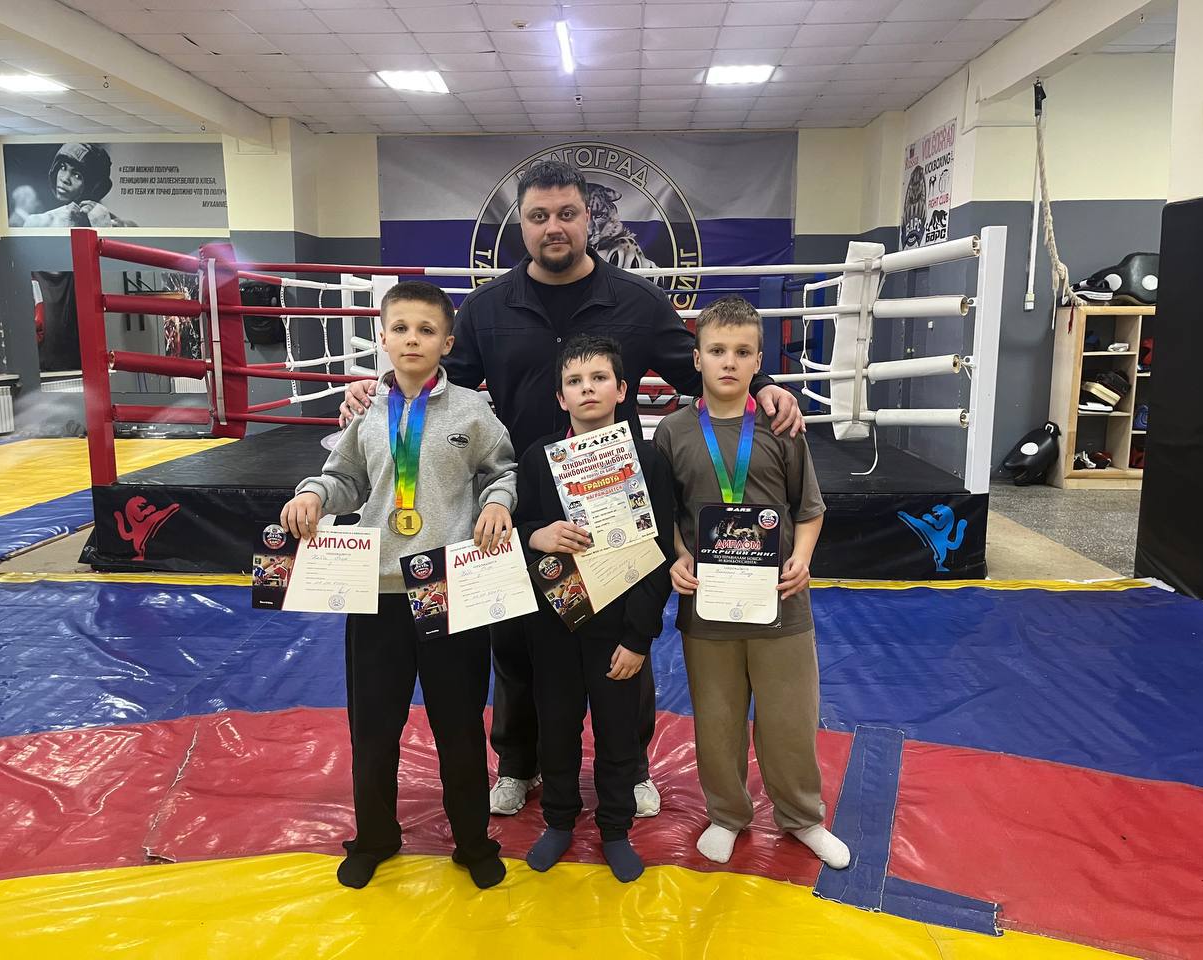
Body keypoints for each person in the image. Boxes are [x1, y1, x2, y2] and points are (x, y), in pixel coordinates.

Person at [339, 160, 805, 819]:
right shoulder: (489, 308)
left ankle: (630, 766)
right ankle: (518, 763)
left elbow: (697, 366)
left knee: (623, 633)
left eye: (566, 214)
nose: (553, 227)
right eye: (538, 217)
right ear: (521, 226)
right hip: (520, 501)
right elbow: (438, 383)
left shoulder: (637, 301)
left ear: (591, 219)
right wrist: (380, 390)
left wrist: (765, 386)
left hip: (613, 495)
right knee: (517, 640)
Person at [280, 280, 517, 891]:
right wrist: (313, 494)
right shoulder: (367, 412)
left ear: (448, 342)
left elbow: (503, 469)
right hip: (378, 590)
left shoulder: (472, 411)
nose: (414, 339)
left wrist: (498, 502)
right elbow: (345, 478)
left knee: (458, 726)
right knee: (374, 725)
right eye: (402, 329)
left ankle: (473, 840)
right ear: (383, 338)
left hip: (448, 587)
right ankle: (375, 837)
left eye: (427, 330)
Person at [653, 296, 850, 871]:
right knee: (716, 718)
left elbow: (809, 508)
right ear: (697, 358)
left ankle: (802, 816)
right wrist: (679, 557)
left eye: (742, 352)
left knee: (790, 716)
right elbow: (666, 516)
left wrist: (802, 560)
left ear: (759, 360)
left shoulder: (781, 425)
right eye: (717, 350)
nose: (729, 362)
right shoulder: (672, 432)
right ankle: (727, 814)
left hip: (780, 601)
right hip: (708, 604)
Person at [514, 335, 675, 883]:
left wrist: (638, 637)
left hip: (619, 626)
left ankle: (614, 828)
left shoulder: (647, 460)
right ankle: (559, 821)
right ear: (560, 397)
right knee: (556, 727)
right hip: (555, 622)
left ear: (622, 390)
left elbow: (659, 551)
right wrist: (537, 535)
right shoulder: (537, 458)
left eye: (599, 378)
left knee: (618, 730)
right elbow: (517, 525)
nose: (587, 389)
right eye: (575, 382)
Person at [22, 143, 138, 227]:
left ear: (93, 188)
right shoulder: (37, 222)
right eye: (63, 167)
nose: (64, 179)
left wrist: (104, 228)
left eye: (77, 175)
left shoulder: (121, 226)